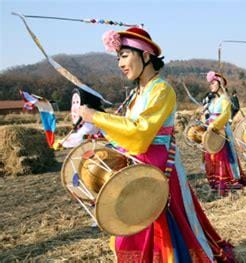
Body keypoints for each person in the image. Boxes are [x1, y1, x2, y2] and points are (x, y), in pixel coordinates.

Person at [79, 27, 235, 262]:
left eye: (124, 55)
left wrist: (97, 117)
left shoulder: (161, 90)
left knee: (156, 226)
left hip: (158, 165)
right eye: (118, 57)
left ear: (144, 55)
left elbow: (141, 133)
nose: (120, 63)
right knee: (133, 227)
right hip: (136, 164)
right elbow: (126, 128)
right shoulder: (137, 94)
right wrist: (101, 134)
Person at [203, 71, 246, 195]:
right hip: (211, 130)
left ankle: (228, 180)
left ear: (219, 84)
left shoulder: (225, 99)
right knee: (212, 153)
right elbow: (208, 115)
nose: (210, 86)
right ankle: (215, 180)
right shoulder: (211, 101)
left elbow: (225, 115)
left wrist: (214, 125)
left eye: (213, 83)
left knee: (223, 154)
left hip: (221, 129)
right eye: (209, 84)